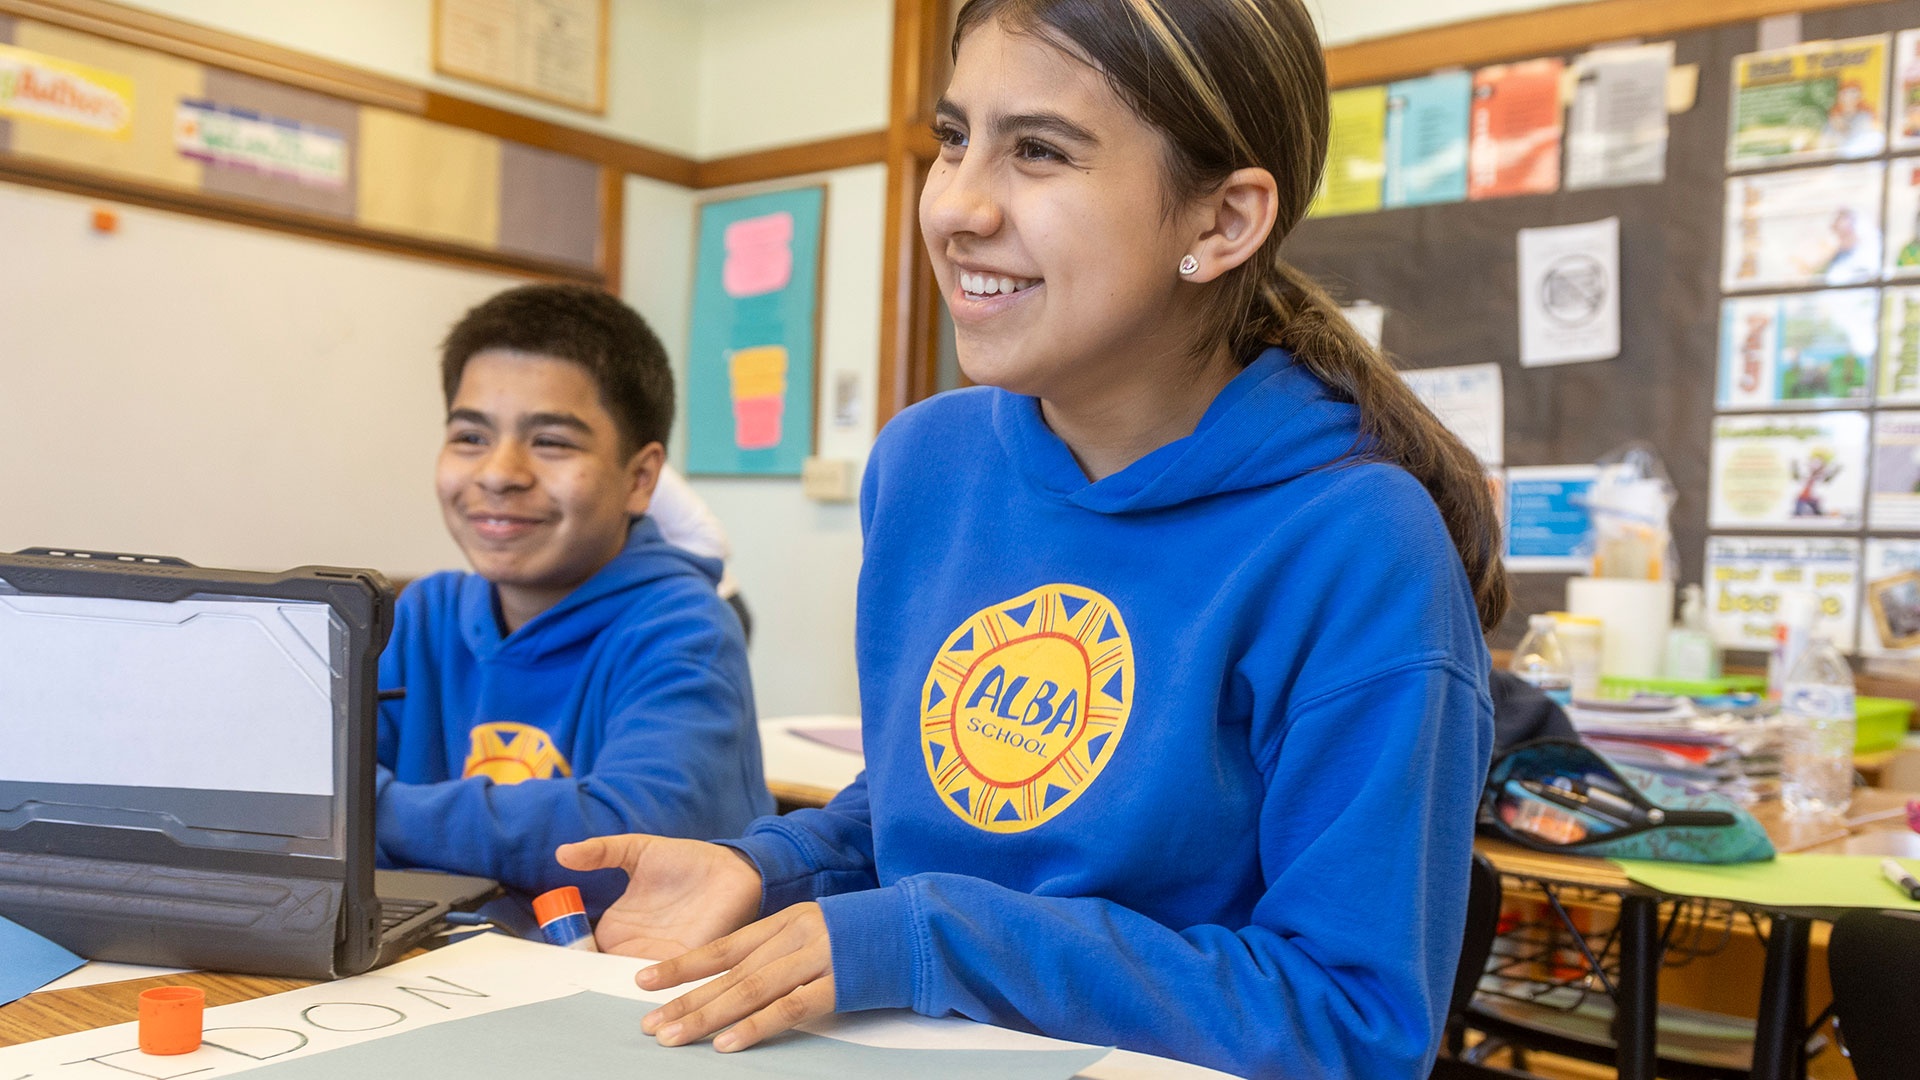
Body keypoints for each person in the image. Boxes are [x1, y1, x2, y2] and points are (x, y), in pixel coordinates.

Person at [557, 2, 1505, 1075]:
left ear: (1222, 223)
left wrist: (935, 939)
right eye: (953, 138)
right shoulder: (926, 465)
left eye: (1040, 152)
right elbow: (927, 816)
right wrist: (768, 868)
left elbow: (1353, 1025)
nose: (956, 206)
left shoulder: (1356, 544)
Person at [376, 284, 773, 930]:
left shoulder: (682, 629)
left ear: (640, 479)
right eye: (471, 436)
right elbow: (303, 789)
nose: (500, 473)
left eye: (552, 442)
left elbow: (626, 843)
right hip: (431, 979)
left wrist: (379, 811)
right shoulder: (424, 615)